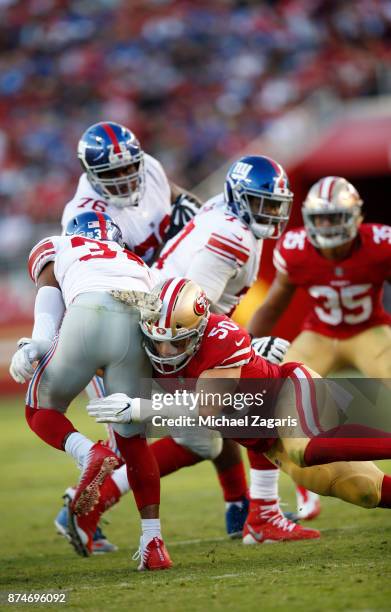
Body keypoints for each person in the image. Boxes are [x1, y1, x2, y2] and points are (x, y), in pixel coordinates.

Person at [55, 153, 298, 549]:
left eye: (274, 205)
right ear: (239, 199)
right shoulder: (232, 240)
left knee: (219, 427)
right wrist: (243, 350)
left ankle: (247, 510)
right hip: (158, 335)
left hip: (154, 325)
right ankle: (89, 506)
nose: (270, 213)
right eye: (261, 203)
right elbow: (186, 307)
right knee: (215, 425)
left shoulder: (224, 211)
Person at [86, 277, 391, 546]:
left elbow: (207, 408)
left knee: (303, 447)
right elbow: (89, 360)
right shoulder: (143, 343)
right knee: (364, 491)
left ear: (199, 329)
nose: (165, 352)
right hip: (267, 438)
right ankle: (262, 522)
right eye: (158, 341)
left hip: (289, 393)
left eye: (177, 344)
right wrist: (46, 357)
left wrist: (138, 407)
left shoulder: (220, 337)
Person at [9, 211, 172, 570]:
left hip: (87, 311)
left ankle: (87, 453)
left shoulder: (60, 244)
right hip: (138, 321)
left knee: (40, 410)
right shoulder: (136, 263)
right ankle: (153, 543)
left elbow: (50, 290)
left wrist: (36, 343)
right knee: (133, 439)